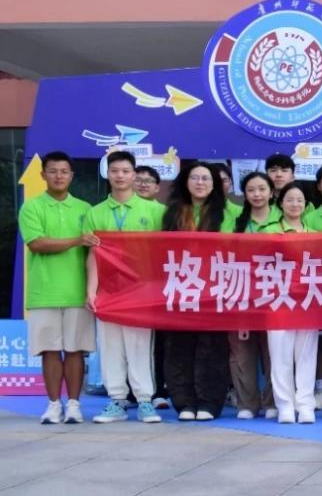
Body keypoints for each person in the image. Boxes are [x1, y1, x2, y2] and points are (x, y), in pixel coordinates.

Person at [81, 151, 165, 424]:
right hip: (108, 291)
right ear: (108, 174)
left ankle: (144, 401)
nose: (120, 176)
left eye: (126, 171)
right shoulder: (95, 213)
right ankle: (116, 400)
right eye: (115, 171)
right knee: (110, 347)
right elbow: (92, 255)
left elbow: (166, 253)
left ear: (134, 175)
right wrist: (91, 291)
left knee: (140, 347)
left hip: (141, 292)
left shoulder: (155, 211)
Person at [19, 151, 92, 425]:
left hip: (77, 291)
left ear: (72, 175)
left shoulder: (85, 209)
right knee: (49, 350)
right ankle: (53, 405)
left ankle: (73, 405)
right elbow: (37, 243)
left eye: (64, 171)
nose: (59, 176)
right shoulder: (32, 207)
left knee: (75, 350)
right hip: (44, 292)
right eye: (53, 171)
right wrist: (76, 240)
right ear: (43, 175)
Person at [160, 162, 231, 421]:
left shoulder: (231, 213)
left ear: (215, 184)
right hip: (181, 288)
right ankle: (184, 402)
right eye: (195, 178)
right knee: (179, 346)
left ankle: (210, 402)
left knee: (212, 347)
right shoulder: (171, 213)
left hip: (216, 289)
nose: (200, 183)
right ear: (185, 182)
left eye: (206, 178)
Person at [261, 184, 320, 424]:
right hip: (278, 301)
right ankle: (284, 405)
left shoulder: (315, 234)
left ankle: (305, 405)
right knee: (280, 356)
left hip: (307, 301)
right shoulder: (269, 231)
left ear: (306, 205)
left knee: (306, 355)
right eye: (290, 200)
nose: (295, 204)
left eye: (299, 200)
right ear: (281, 203)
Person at [229, 172, 279, 420]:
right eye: (251, 190)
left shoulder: (284, 220)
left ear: (271, 192)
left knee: (274, 351)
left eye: (262, 189)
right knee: (242, 351)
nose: (257, 194)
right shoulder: (235, 222)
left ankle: (272, 401)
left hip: (275, 294)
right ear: (244, 194)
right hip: (242, 293)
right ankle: (246, 404)